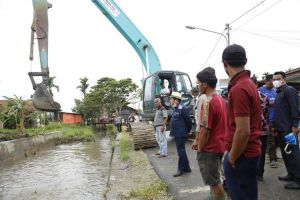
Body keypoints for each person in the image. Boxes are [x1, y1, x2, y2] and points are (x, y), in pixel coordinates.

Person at [222, 44, 262, 200]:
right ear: (245, 61)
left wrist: (231, 157)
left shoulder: (239, 88)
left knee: (240, 195)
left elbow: (243, 131)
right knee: (249, 194)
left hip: (241, 155)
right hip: (249, 153)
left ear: (225, 64)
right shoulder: (249, 84)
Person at [192, 67, 227, 200]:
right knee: (217, 178)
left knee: (214, 181)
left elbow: (205, 130)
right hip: (220, 145)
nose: (198, 86)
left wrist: (200, 148)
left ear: (205, 84)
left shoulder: (208, 102)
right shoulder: (220, 99)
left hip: (209, 148)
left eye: (198, 83)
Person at [273, 71, 300, 189]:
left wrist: (295, 125)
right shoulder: (279, 92)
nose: (275, 81)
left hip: (289, 128)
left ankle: (298, 179)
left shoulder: (289, 90)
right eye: (274, 79)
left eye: (278, 78)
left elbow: (295, 108)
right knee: (286, 153)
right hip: (280, 128)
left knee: (293, 153)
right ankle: (291, 173)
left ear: (284, 79)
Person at [169, 91, 193, 177]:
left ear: (176, 100)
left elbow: (189, 121)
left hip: (181, 133)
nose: (170, 101)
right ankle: (187, 167)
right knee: (181, 150)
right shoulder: (176, 108)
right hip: (177, 133)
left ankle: (181, 169)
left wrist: (187, 131)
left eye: (171, 99)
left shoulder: (183, 108)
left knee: (181, 151)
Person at [251, 76, 269, 182]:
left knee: (251, 151)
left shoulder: (247, 96)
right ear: (257, 84)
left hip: (252, 129)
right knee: (262, 152)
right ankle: (260, 174)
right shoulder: (263, 96)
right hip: (263, 128)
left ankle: (252, 173)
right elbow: (267, 112)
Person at [259, 74, 279, 168]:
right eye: (270, 83)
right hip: (267, 120)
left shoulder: (275, 90)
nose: (272, 84)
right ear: (265, 81)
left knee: (275, 139)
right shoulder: (260, 91)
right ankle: (273, 160)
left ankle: (274, 156)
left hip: (276, 119)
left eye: (273, 83)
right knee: (270, 140)